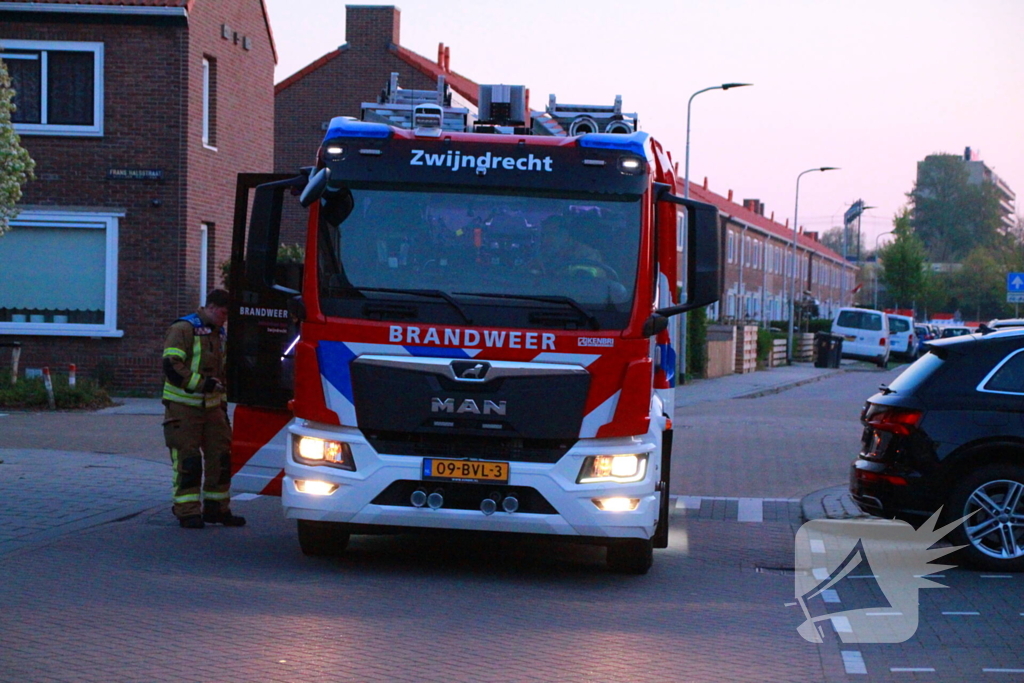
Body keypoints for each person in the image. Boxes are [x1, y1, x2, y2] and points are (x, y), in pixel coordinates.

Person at [161, 288, 245, 529]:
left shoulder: (219, 332)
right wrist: (202, 384)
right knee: (188, 460)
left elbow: (222, 371)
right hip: (183, 408)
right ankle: (187, 511)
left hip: (213, 408)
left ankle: (217, 509)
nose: (225, 319)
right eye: (223, 313)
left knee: (220, 458)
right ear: (211, 307)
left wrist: (222, 403)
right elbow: (171, 366)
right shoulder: (183, 329)